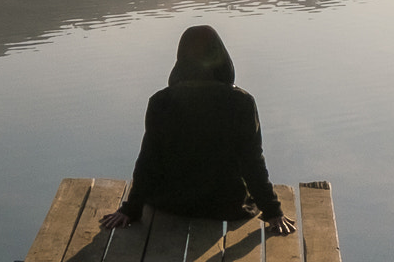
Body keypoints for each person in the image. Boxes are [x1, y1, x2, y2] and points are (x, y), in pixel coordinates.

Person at [100, 25, 298, 236]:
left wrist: (130, 210)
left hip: (172, 203)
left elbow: (149, 160)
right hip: (226, 206)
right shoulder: (241, 103)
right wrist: (273, 211)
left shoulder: (161, 101)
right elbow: (252, 162)